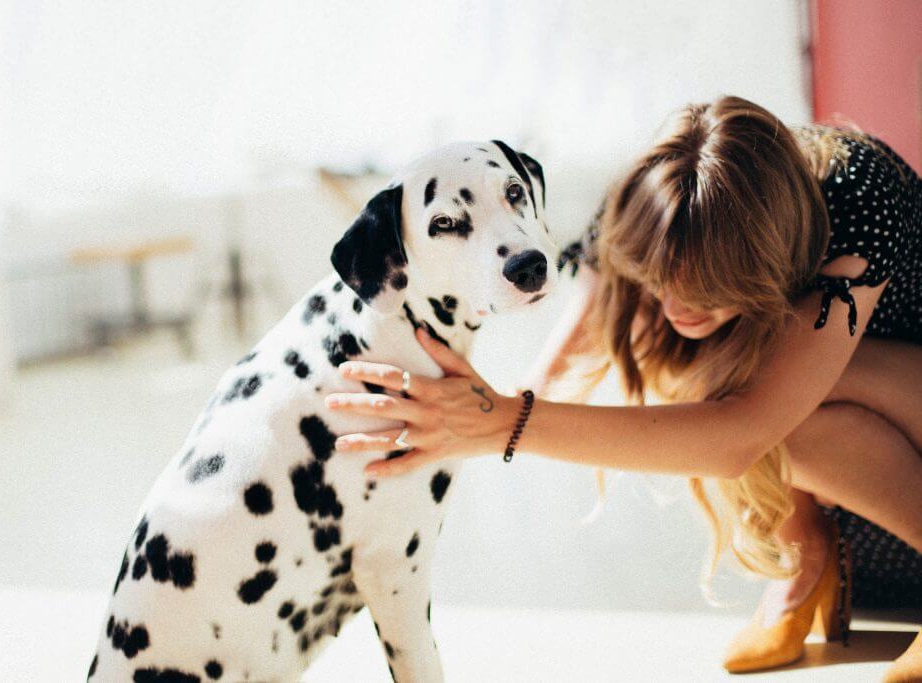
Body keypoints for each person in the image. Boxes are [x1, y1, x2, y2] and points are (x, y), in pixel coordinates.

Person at [325, 96, 922, 680]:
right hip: (872, 477)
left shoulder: (856, 194)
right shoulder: (666, 190)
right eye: (659, 278)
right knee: (738, 385)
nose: (674, 305)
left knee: (779, 385)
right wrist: (503, 399)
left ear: (773, 254)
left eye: (708, 289)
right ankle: (806, 556)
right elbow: (589, 309)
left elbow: (744, 434)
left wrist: (503, 423)